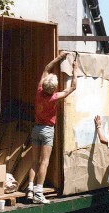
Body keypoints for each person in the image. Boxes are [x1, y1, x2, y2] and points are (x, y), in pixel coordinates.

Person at [27, 52, 78, 204]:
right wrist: (75, 69)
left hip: (36, 129)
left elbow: (47, 67)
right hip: (47, 130)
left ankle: (30, 190)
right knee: (45, 162)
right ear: (54, 88)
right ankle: (38, 192)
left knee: (35, 161)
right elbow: (73, 87)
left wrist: (59, 57)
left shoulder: (38, 92)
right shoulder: (54, 97)